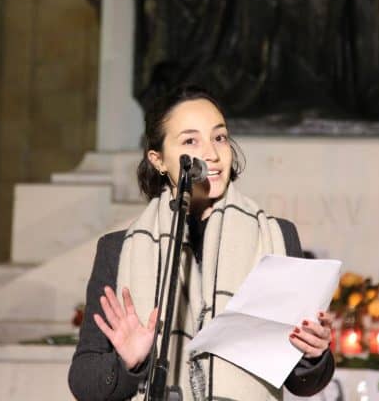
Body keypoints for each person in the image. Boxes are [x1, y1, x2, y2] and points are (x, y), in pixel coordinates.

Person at [68, 86, 335, 400]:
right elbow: (83, 382)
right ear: (158, 160)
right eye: (190, 141)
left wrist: (312, 354)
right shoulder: (118, 249)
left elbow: (303, 384)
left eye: (219, 137)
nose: (212, 153)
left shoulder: (277, 236)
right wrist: (128, 362)